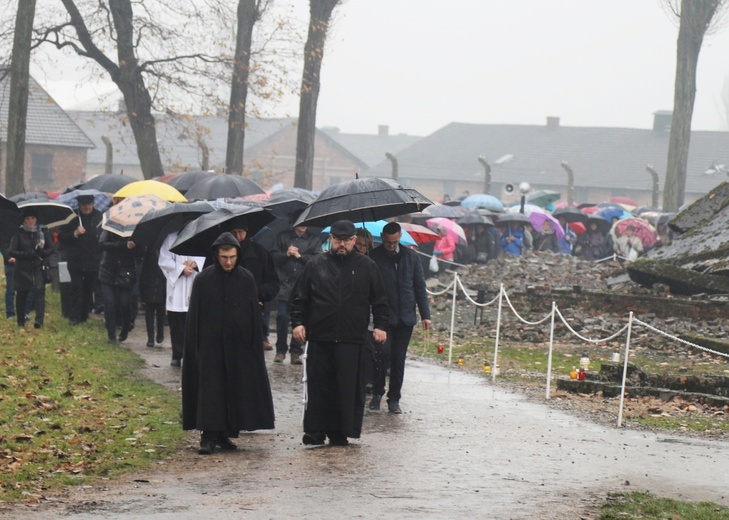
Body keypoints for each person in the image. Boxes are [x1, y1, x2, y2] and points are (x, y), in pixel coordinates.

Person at [290, 220, 388, 446]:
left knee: (346, 388)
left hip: (352, 337)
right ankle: (315, 430)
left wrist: (381, 326)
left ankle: (340, 431)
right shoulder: (316, 264)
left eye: (346, 240)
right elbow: (300, 298)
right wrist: (298, 323)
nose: (341, 244)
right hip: (320, 336)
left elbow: (380, 300)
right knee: (319, 385)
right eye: (337, 240)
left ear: (354, 240)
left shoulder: (367, 266)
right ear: (330, 239)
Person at [182, 232, 275, 455]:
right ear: (216, 255)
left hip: (238, 345)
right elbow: (195, 316)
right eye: (224, 257)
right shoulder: (204, 279)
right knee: (211, 388)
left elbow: (253, 314)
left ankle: (226, 432)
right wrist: (197, 346)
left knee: (234, 387)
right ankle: (209, 434)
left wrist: (253, 343)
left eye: (232, 257)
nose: (228, 262)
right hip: (210, 344)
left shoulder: (246, 278)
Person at [369, 222, 431, 414]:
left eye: (394, 242)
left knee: (398, 359)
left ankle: (394, 398)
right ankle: (377, 393)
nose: (391, 245)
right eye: (388, 242)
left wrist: (425, 315)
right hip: (383, 318)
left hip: (406, 317)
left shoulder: (412, 257)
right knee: (382, 355)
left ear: (400, 237)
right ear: (382, 237)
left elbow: (419, 287)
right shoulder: (374, 258)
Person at [270, 221, 322, 365]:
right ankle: (280, 350)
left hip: (302, 285)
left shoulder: (314, 240)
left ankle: (295, 351)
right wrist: (286, 254)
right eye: (299, 223)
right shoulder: (282, 237)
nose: (302, 226)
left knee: (300, 319)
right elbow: (273, 257)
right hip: (284, 284)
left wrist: (300, 256)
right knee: (282, 317)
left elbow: (317, 261)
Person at [229, 225, 280, 354]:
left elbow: (273, 284)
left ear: (246, 232)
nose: (237, 236)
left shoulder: (261, 253)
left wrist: (256, 292)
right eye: (233, 232)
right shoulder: (219, 253)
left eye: (240, 232)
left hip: (252, 314)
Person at [158, 230, 205, 368]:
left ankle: (193, 355)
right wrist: (180, 269)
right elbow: (164, 259)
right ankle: (177, 354)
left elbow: (207, 256)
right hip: (177, 287)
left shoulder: (201, 236)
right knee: (176, 324)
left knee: (194, 324)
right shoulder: (171, 238)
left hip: (194, 284)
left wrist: (196, 263)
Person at [57, 194, 103, 325]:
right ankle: (74, 316)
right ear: (79, 205)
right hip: (76, 260)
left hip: (93, 260)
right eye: (84, 205)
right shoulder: (72, 218)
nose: (87, 208)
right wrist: (74, 234)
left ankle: (84, 315)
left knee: (88, 289)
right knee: (76, 289)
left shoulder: (99, 216)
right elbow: (61, 236)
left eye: (89, 205)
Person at [8, 208, 54, 328]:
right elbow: (12, 250)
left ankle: (39, 320)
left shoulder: (43, 231)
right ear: (24, 220)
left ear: (36, 219)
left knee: (39, 293)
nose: (30, 221)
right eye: (28, 219)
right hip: (22, 268)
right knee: (22, 294)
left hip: (38, 267)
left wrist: (41, 253)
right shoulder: (19, 233)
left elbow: (51, 248)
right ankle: (20, 321)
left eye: (32, 218)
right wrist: (27, 254)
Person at [97, 229, 137, 343]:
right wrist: (123, 245)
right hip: (108, 269)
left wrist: (134, 245)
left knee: (124, 302)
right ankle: (111, 335)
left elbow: (142, 250)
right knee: (109, 302)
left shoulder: (135, 230)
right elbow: (101, 244)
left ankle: (125, 327)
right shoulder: (110, 227)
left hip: (126, 271)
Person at [139, 245, 167, 348]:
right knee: (149, 308)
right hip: (149, 277)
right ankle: (150, 337)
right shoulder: (149, 244)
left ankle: (160, 331)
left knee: (160, 309)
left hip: (163, 279)